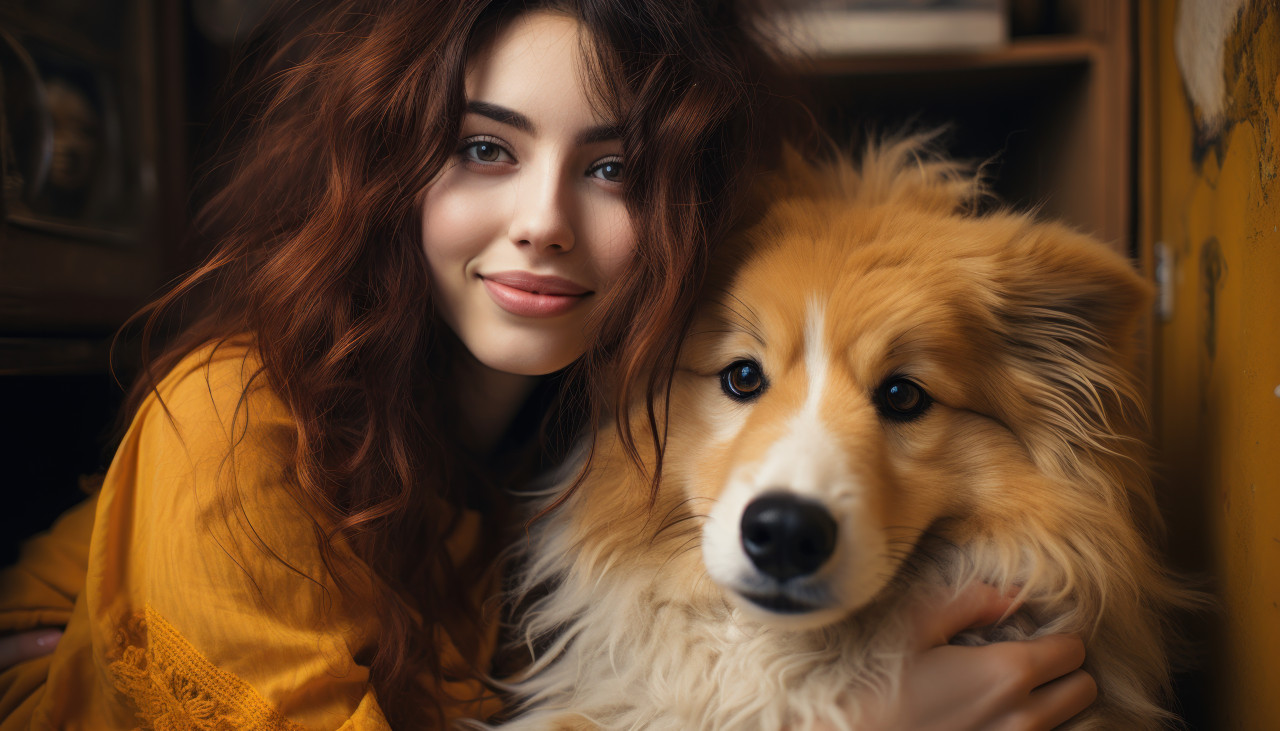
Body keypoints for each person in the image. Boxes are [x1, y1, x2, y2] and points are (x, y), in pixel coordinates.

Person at [0, 1, 1098, 728]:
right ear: (388, 166)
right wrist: (853, 716)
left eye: (612, 166)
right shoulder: (231, 426)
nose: (542, 221)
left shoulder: (599, 413)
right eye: (485, 148)